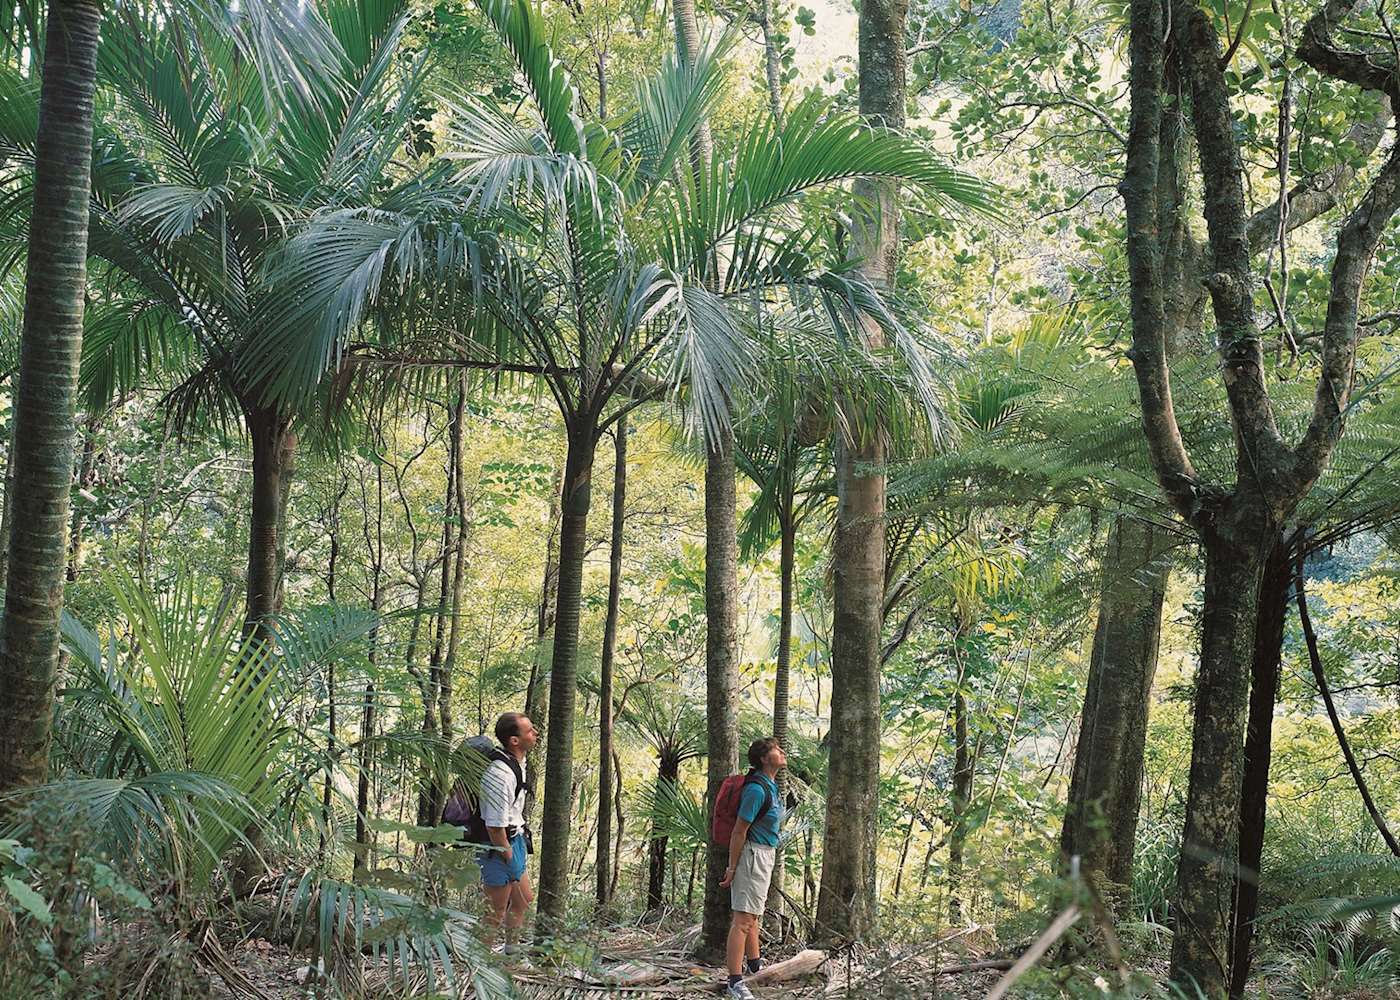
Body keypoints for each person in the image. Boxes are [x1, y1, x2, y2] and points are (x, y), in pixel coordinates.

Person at [719, 737, 786, 1000]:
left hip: (764, 855)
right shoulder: (756, 790)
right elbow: (738, 831)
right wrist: (732, 868)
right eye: (775, 750)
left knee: (753, 916)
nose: (781, 752)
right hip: (751, 856)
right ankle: (734, 982)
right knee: (743, 920)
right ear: (763, 758)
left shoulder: (770, 787)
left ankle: (755, 966)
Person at [479, 712, 539, 950]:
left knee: (523, 899)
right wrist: (508, 855)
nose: (535, 733)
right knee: (495, 911)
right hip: (497, 846)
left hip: (514, 840)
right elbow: (494, 826)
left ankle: (511, 951)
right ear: (514, 740)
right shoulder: (500, 774)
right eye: (529, 731)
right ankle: (478, 965)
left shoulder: (516, 764)